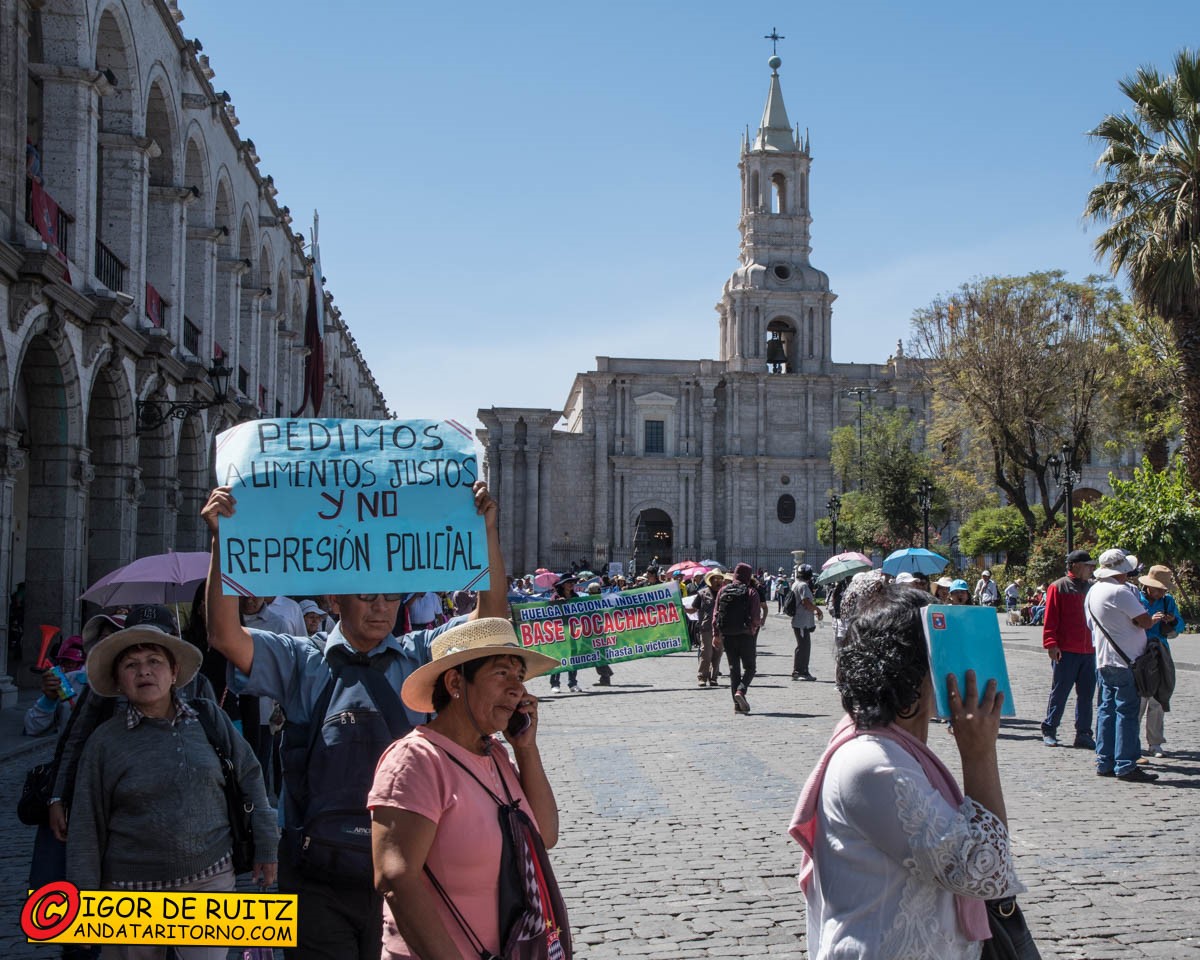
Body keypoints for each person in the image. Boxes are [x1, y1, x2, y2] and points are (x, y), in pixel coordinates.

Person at [202, 480, 508, 960]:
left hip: (411, 871)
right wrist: (222, 541)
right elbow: (224, 635)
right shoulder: (299, 660)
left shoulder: (420, 655)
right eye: (367, 596)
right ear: (333, 601)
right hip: (316, 875)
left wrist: (487, 531)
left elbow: (491, 624)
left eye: (390, 597)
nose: (381, 607)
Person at [789, 586, 1023, 959]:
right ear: (915, 666)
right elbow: (984, 871)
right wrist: (979, 754)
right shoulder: (874, 764)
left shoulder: (895, 749)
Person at [67, 614, 277, 960]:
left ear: (174, 672)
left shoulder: (208, 717)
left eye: (154, 662)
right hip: (130, 895)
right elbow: (86, 826)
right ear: (119, 681)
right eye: (131, 665)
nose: (144, 672)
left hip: (210, 881)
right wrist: (83, 905)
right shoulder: (104, 743)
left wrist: (267, 846)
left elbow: (251, 777)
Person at [369, 618, 569, 960]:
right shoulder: (416, 760)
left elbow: (544, 835)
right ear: (455, 682)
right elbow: (395, 877)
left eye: (519, 677)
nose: (517, 689)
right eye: (501, 673)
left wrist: (526, 749)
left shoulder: (495, 755)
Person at [1085, 548, 1158, 782]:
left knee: (1106, 710)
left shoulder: (1093, 591)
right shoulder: (1120, 592)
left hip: (1104, 659)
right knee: (1126, 712)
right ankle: (1126, 764)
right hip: (1127, 660)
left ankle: (1104, 760)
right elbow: (1144, 621)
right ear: (1122, 571)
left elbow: (1090, 625)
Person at [1040, 550, 1097, 749]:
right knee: (1060, 692)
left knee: (1087, 695)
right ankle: (1049, 728)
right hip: (1065, 650)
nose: (1091, 569)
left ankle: (1083, 733)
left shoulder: (1092, 587)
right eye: (1087, 565)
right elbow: (1051, 618)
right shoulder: (1058, 587)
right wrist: (1051, 644)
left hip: (1089, 651)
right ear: (1074, 565)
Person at [1137, 565, 1181, 760]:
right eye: (1159, 589)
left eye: (1164, 589)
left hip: (1160, 652)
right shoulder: (1137, 599)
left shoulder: (1167, 601)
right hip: (1140, 653)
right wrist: (1150, 621)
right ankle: (1131, 742)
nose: (1162, 592)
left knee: (1157, 700)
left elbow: (1180, 625)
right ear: (1148, 587)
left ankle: (1155, 743)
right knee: (1138, 700)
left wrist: (1171, 621)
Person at [714, 562, 763, 715]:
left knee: (733, 670)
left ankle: (736, 706)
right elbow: (756, 617)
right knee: (750, 668)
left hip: (727, 635)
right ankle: (741, 692)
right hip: (745, 634)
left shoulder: (723, 590)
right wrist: (753, 628)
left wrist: (716, 634)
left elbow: (716, 615)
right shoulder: (751, 592)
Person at [24, 634, 87, 736]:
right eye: (67, 662)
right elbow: (33, 728)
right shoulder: (68, 680)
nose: (69, 665)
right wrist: (49, 700)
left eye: (72, 662)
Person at [547, 575, 581, 693]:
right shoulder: (555, 596)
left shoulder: (576, 596)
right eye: (568, 582)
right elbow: (547, 611)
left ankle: (573, 683)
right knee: (559, 657)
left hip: (572, 631)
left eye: (572, 582)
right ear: (562, 585)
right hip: (559, 632)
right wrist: (557, 603)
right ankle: (555, 683)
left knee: (574, 657)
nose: (571, 584)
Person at [789, 565, 823, 681]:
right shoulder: (803, 585)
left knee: (804, 646)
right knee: (803, 646)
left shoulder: (795, 583)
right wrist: (817, 610)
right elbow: (806, 602)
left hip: (799, 620)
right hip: (802, 621)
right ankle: (799, 671)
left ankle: (803, 671)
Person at [695, 571, 723, 687]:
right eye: (715, 579)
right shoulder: (702, 593)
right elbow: (694, 608)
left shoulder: (724, 593)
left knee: (718, 653)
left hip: (721, 627)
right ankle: (702, 677)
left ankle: (714, 677)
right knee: (706, 653)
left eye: (719, 579)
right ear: (710, 580)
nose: (718, 581)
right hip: (706, 627)